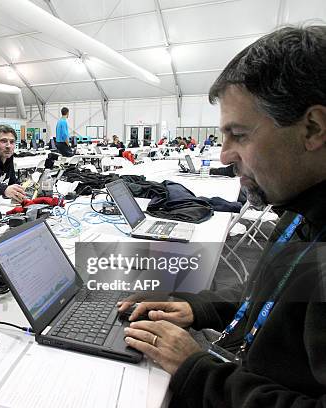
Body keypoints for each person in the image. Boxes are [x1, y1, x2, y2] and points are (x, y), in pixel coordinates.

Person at [119, 26, 326, 407]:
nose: (223, 156)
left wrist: (198, 371)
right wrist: (197, 308)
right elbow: (274, 299)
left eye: (240, 134)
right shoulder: (301, 212)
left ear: (313, 127)